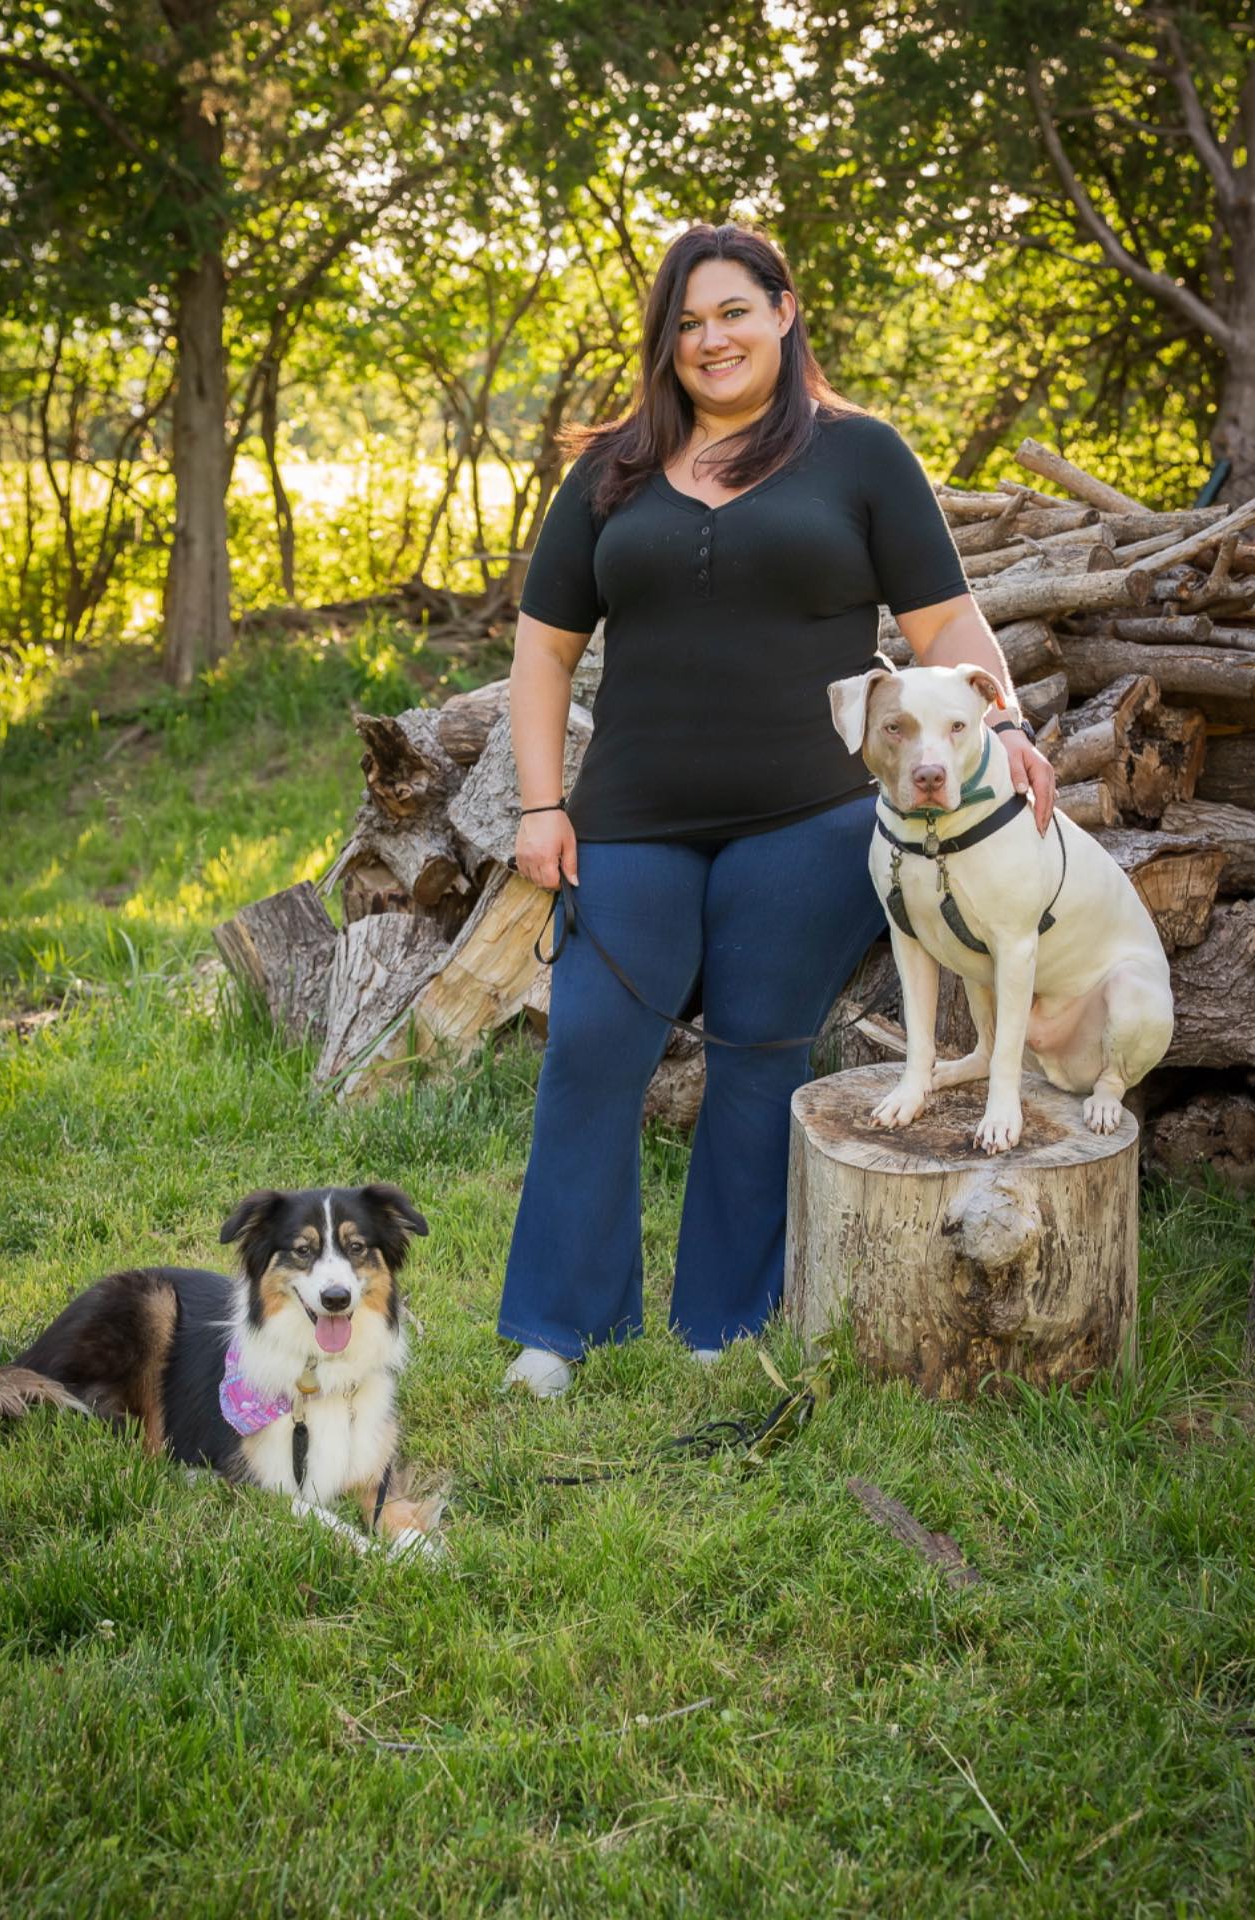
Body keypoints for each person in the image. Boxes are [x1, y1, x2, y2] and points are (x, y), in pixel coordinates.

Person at [499, 222, 1055, 1397]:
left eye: (734, 313)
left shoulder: (862, 456)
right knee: (593, 1047)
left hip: (807, 818)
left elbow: (945, 626)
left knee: (760, 1053)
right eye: (688, 322)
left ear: (784, 312)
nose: (711, 339)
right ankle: (560, 1328)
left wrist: (1005, 725)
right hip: (631, 819)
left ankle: (724, 1321)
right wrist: (541, 805)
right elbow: (543, 651)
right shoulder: (612, 471)